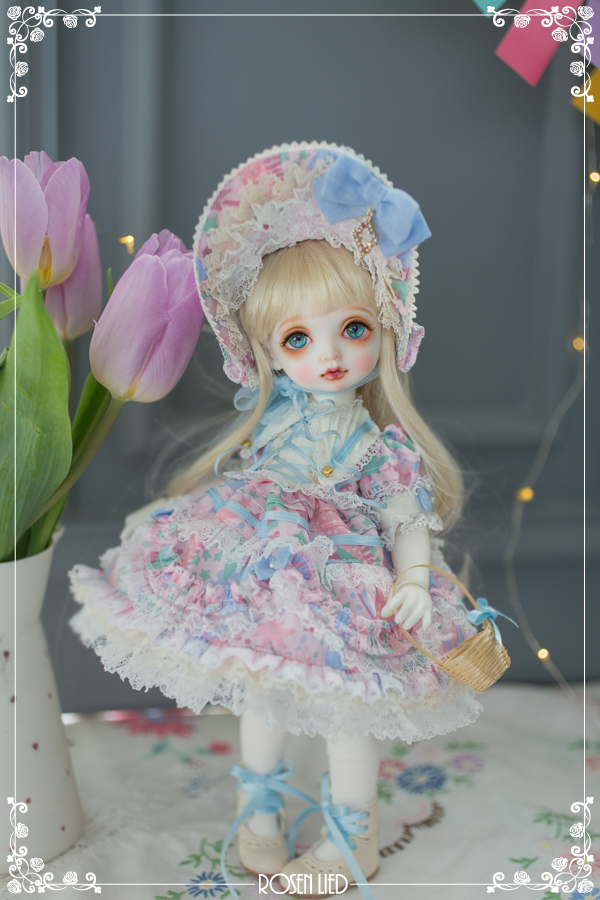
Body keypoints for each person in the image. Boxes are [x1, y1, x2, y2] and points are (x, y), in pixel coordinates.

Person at [70, 143, 483, 898]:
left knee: (347, 715)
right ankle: (258, 812)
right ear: (264, 352)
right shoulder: (279, 422)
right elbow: (254, 484)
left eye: (352, 328)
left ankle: (352, 839)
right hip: (263, 564)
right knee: (262, 696)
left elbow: (405, 515)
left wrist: (415, 578)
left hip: (344, 580)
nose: (329, 356)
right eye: (298, 339)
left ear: (387, 328)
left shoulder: (379, 445)